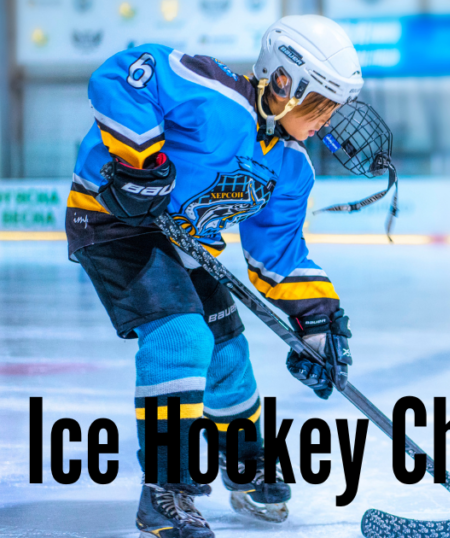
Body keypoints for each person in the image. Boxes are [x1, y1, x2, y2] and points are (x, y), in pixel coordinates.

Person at [65, 15, 386, 538]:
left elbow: (277, 253)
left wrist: (318, 322)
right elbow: (123, 74)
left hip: (185, 243)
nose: (326, 121)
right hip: (114, 221)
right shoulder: (214, 98)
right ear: (284, 82)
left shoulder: (291, 166)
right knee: (181, 335)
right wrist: (139, 164)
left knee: (228, 353)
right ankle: (164, 491)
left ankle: (244, 459)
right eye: (321, 104)